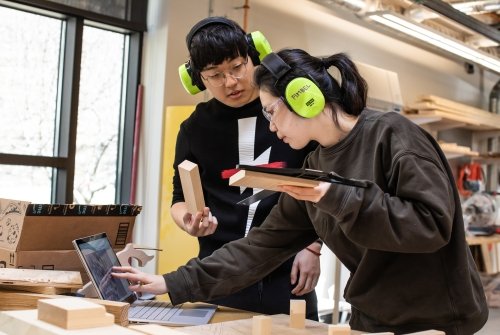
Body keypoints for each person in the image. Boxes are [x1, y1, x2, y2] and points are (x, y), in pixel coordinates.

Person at [113, 48, 489, 334]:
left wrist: (335, 195)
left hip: (437, 319)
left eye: (271, 111)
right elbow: (261, 247)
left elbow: (432, 226)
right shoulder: (314, 167)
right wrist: (171, 282)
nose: (270, 125)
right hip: (374, 317)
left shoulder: (393, 136)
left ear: (303, 97)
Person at [169, 17, 320, 319]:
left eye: (237, 67)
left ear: (254, 55)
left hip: (288, 271)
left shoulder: (288, 112)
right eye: (214, 75)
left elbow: (319, 185)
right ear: (198, 79)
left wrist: (313, 247)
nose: (230, 82)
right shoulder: (194, 129)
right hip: (218, 274)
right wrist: (188, 220)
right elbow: (178, 197)